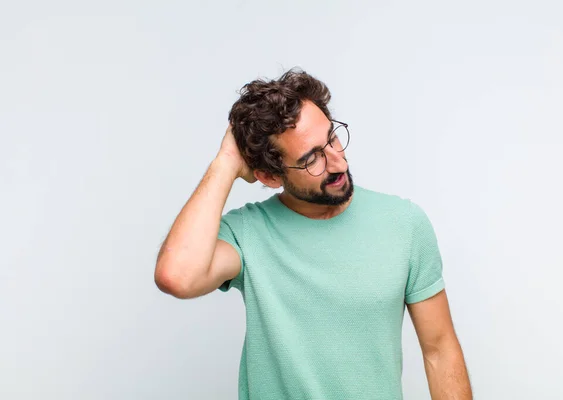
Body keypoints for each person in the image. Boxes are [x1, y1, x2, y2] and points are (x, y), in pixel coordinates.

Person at [154, 68, 472, 400]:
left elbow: (439, 349)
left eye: (332, 139)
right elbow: (178, 276)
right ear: (269, 176)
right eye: (311, 159)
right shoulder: (247, 233)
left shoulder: (404, 223)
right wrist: (225, 163)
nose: (337, 163)